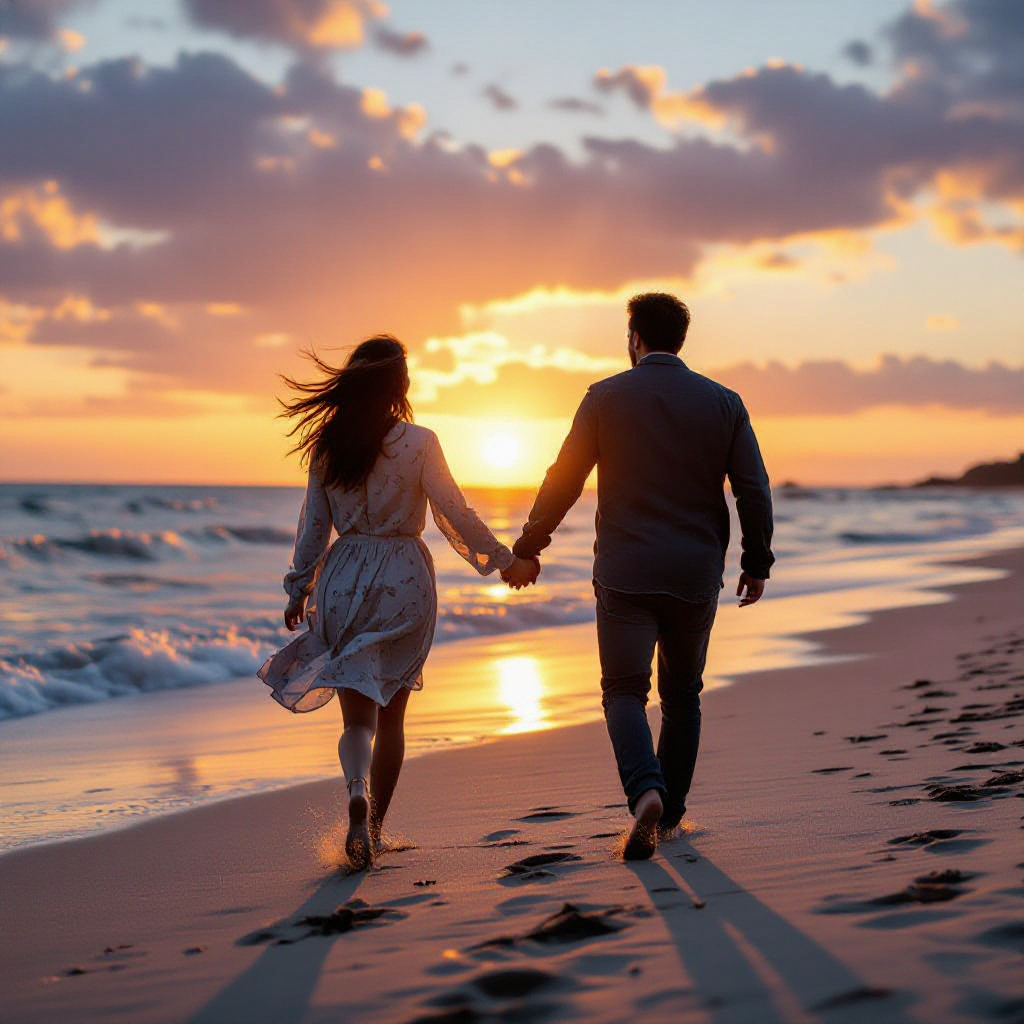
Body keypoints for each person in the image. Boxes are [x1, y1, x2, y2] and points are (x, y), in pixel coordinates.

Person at [259, 336, 539, 869]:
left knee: (356, 719)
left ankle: (356, 790)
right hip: (404, 577)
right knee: (393, 716)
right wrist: (505, 561)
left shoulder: (328, 445)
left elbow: (314, 527)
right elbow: (454, 511)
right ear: (399, 385)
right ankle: (375, 829)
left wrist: (299, 588)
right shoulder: (420, 441)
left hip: (343, 579)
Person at [512, 293, 774, 860]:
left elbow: (565, 479)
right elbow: (753, 488)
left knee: (624, 691)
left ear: (634, 338)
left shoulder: (605, 397)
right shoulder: (724, 402)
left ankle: (645, 792)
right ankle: (670, 816)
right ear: (681, 338)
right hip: (694, 572)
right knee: (683, 696)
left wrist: (531, 543)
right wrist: (757, 561)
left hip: (626, 571)